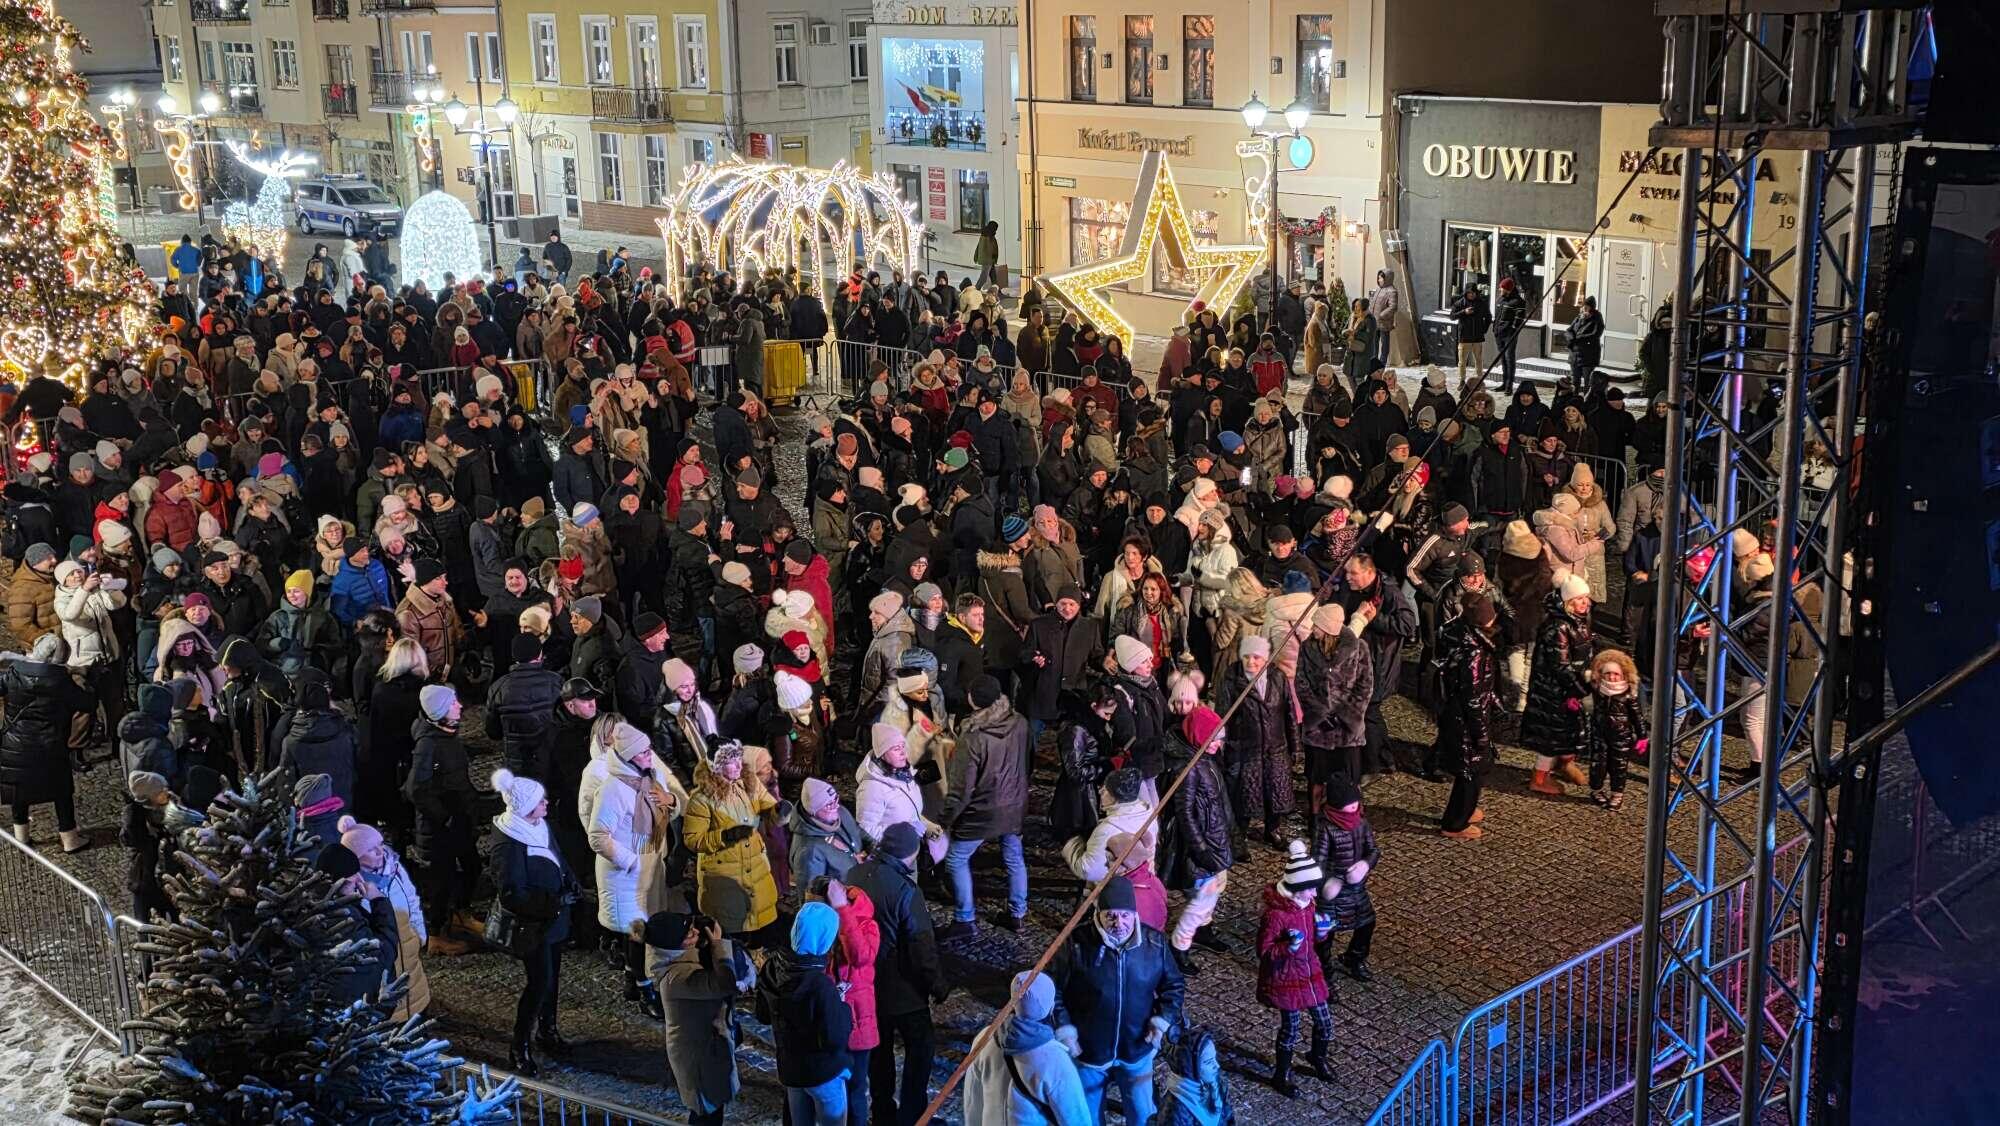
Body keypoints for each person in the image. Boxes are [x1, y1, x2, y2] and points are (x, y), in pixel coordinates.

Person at [1048, 873, 1185, 1124]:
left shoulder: (1155, 944)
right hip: (1088, 1052)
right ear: (1098, 914)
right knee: (1087, 1118)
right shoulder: (1076, 943)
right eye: (1110, 915)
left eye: (1125, 915)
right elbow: (1052, 989)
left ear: (1134, 915)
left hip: (1137, 1049)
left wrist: (1161, 1020)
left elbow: (1173, 986)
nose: (1118, 923)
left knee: (1143, 1115)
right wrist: (1065, 1029)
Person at [847, 820, 949, 1126]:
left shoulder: (855, 874)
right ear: (910, 853)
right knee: (920, 1049)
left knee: (879, 1053)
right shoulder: (906, 891)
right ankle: (912, 1115)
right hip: (904, 991)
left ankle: (882, 1112)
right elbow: (920, 947)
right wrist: (937, 985)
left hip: (867, 984)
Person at [487, 767, 577, 1077]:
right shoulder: (508, 843)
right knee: (539, 983)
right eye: (540, 801)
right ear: (526, 808)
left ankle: (548, 1032)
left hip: (553, 921)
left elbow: (556, 856)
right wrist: (553, 902)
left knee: (552, 980)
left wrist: (570, 881)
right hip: (532, 927)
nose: (546, 803)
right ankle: (519, 1045)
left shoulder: (538, 825)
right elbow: (512, 894)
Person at [938, 675, 1030, 938]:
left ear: (973, 700)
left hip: (982, 811)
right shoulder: (1020, 722)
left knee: (956, 859)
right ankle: (1018, 914)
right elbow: (1027, 761)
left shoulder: (972, 738)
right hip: (1014, 804)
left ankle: (965, 918)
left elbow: (961, 788)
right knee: (1014, 858)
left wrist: (945, 819)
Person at [755, 901, 854, 1125]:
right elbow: (834, 1038)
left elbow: (762, 1014)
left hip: (791, 1069)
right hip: (822, 1073)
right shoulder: (820, 985)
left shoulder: (772, 967)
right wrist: (842, 1007)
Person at [963, 970, 1093, 1125]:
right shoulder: (1054, 1058)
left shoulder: (984, 1038)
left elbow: (972, 1099)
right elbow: (1075, 1117)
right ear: (1051, 1007)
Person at [2, 634, 93, 851]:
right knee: (61, 792)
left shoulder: (14, 675)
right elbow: (87, 703)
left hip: (15, 745)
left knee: (18, 788)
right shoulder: (61, 682)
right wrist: (87, 682)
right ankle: (70, 839)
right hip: (50, 746)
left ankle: (21, 838)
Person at [682, 738, 780, 941]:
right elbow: (693, 840)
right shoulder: (701, 799)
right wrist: (724, 836)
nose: (737, 766)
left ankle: (756, 949)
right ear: (716, 766)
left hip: (754, 864)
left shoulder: (749, 783)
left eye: (738, 759)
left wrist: (778, 811)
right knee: (732, 924)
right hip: (724, 874)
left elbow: (767, 806)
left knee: (758, 917)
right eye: (730, 762)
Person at [1258, 842, 1335, 1096]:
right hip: (1287, 977)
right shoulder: (1276, 915)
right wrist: (1287, 947)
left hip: (1310, 973)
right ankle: (1282, 1073)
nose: (1315, 893)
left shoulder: (1308, 905)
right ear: (1298, 889)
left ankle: (1317, 1056)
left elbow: (1312, 939)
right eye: (1310, 888)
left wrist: (1321, 933)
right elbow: (1264, 951)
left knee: (1324, 1022)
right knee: (1290, 1028)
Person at [338, 814, 432, 1019]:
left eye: (380, 844)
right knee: (397, 1012)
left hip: (408, 950)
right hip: (386, 960)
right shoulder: (355, 889)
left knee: (416, 999)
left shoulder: (395, 868)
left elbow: (412, 898)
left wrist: (418, 933)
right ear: (356, 857)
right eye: (371, 849)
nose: (380, 852)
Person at [1436, 593, 1503, 838]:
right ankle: (1456, 822)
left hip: (1457, 714)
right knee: (1471, 771)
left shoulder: (1459, 635)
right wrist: (1481, 732)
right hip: (1466, 721)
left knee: (1471, 769)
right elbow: (1473, 698)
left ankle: (1466, 810)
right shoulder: (1474, 652)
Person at [1522, 573, 1595, 796]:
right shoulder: (1558, 627)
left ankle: (1565, 764)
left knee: (1572, 731)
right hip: (1553, 692)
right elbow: (1560, 666)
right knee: (1551, 738)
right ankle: (1539, 778)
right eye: (1579, 599)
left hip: (1570, 687)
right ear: (1568, 602)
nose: (1585, 602)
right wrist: (1581, 689)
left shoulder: (1578, 620)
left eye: (1586, 597)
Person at [1310, 775, 1379, 982]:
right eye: (1350, 802)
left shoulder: (1361, 823)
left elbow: (1373, 850)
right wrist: (1328, 883)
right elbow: (1318, 861)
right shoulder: (1325, 828)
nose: (1354, 805)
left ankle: (1354, 958)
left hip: (1356, 888)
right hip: (1332, 892)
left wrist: (1365, 864)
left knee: (1366, 923)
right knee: (1325, 932)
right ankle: (1323, 969)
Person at [1587, 648, 1646, 811]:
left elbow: (1637, 716)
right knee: (1598, 764)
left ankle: (1617, 794)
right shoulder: (1597, 689)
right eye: (1608, 674)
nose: (1612, 677)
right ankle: (1596, 790)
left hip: (1622, 736)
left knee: (1619, 766)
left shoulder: (1628, 694)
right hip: (1599, 734)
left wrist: (1642, 736)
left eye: (1616, 674)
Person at [1494, 277, 1529, 391]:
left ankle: (1509, 386)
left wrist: (1512, 331)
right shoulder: (1501, 299)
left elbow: (1519, 319)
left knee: (1509, 359)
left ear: (1507, 289)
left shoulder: (1518, 301)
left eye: (1502, 288)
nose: (1500, 289)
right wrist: (1495, 329)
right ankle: (1504, 383)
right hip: (1499, 333)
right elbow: (1497, 316)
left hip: (1509, 335)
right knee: (1503, 359)